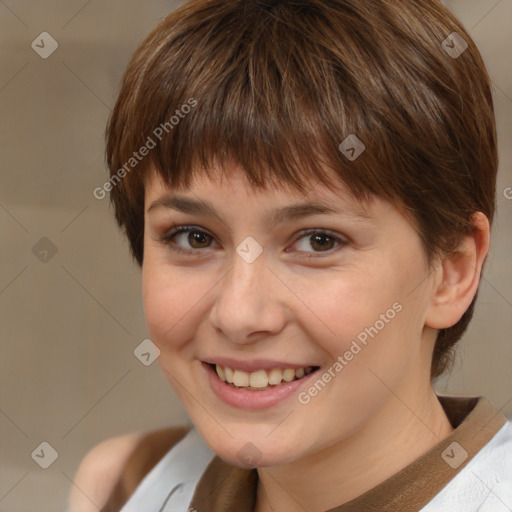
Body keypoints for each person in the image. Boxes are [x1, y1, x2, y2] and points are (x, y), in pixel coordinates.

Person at [68, 0, 512, 510]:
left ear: (452, 272)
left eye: (318, 241)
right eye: (193, 237)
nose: (239, 315)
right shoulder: (125, 486)